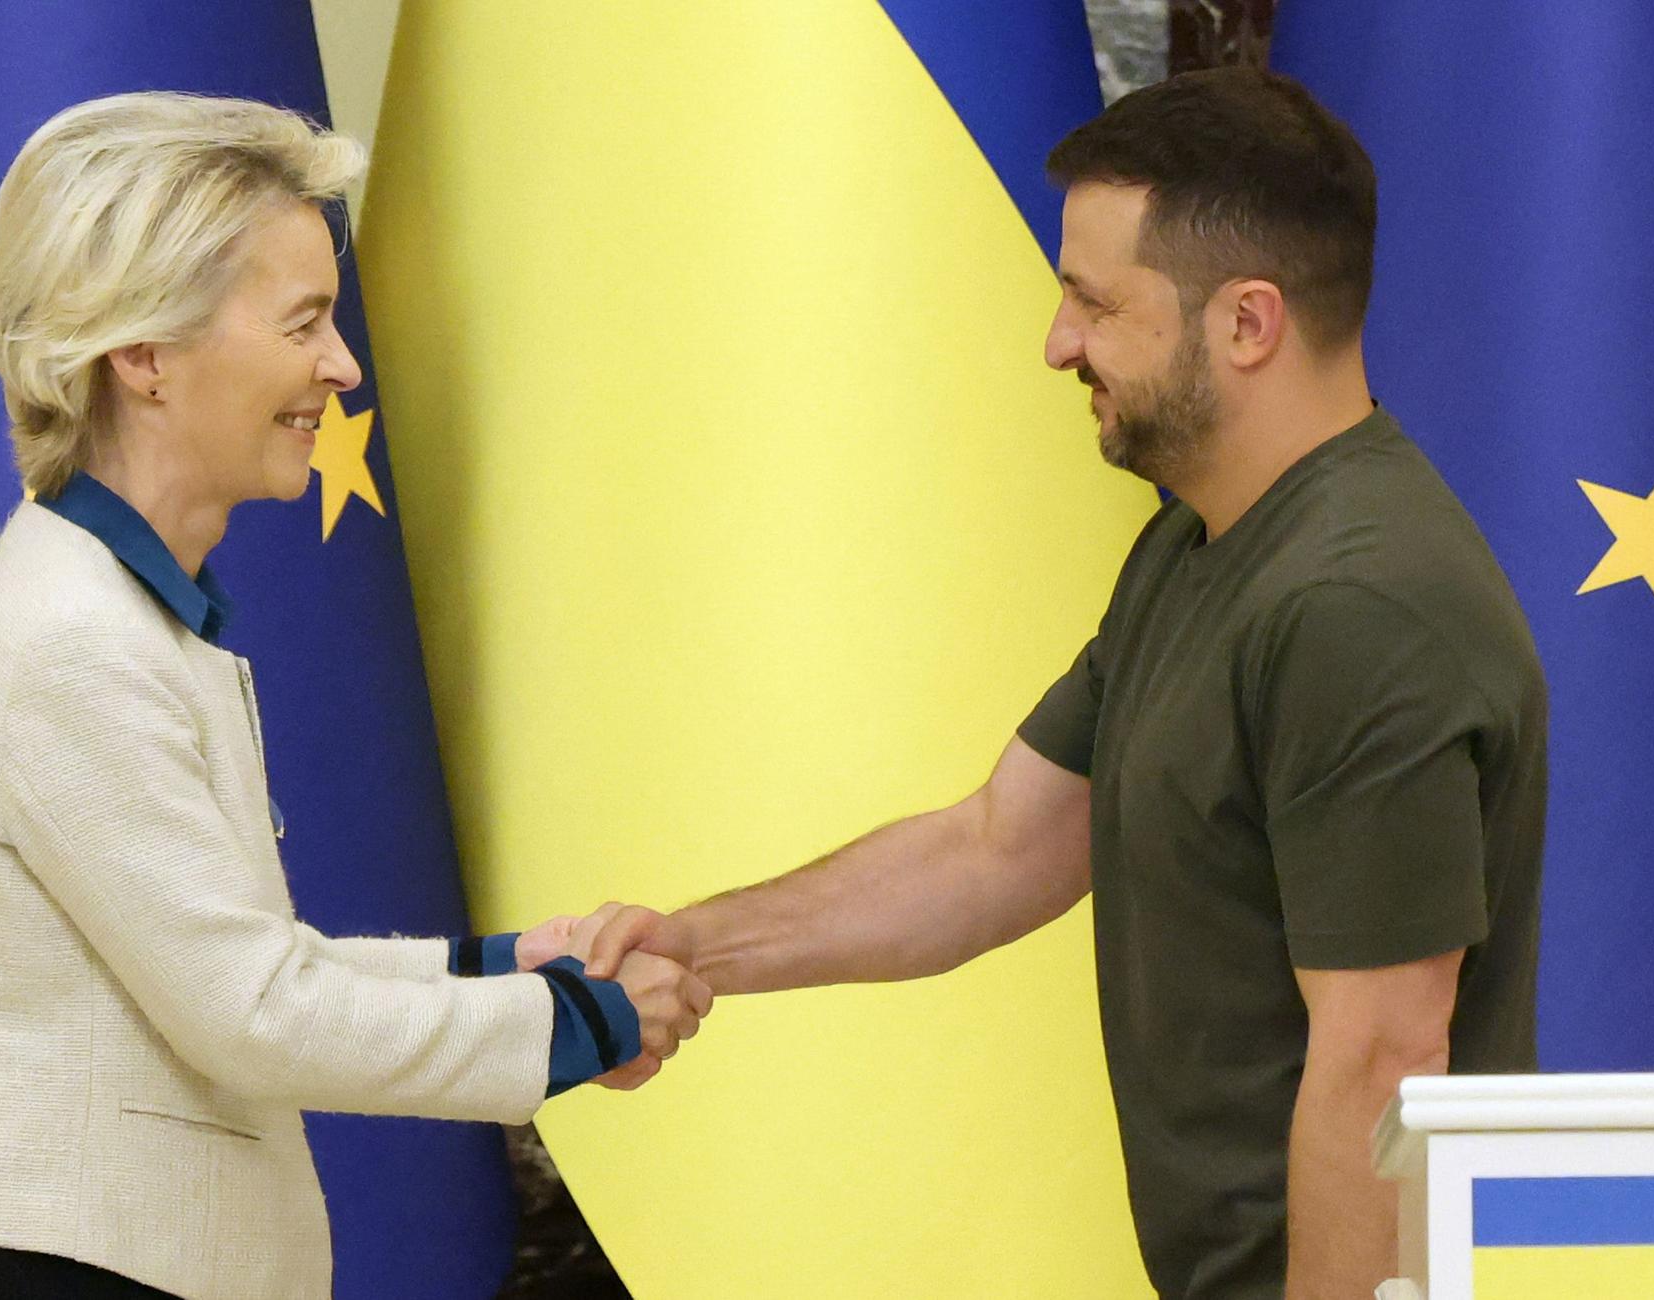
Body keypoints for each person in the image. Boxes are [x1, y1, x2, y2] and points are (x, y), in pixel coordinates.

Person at [581, 67, 1546, 1299]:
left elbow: (1382, 1062)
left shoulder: (1355, 609)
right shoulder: (1199, 543)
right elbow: (994, 848)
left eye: (1092, 302)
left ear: (1245, 324)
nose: (1056, 344)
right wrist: (692, 948)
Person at [0, 92, 710, 1300]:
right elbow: (252, 1014)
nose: (341, 365)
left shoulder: (113, 608)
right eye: (304, 323)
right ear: (143, 353)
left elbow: (236, 967)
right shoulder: (74, 638)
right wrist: (578, 1025)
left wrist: (498, 968)